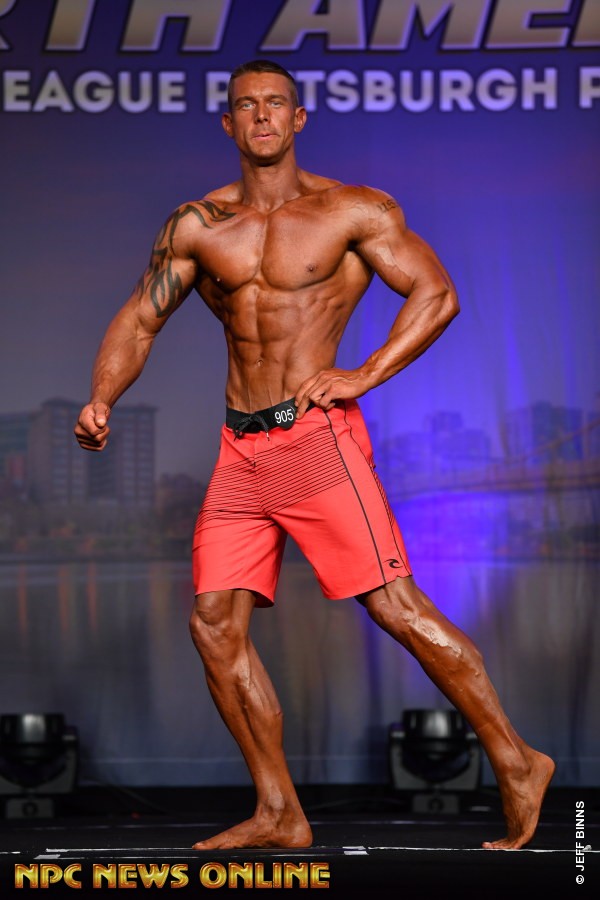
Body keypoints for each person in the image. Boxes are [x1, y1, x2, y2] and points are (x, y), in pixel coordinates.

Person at [74, 59, 554, 852]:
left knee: (396, 608)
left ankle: (516, 759)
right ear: (228, 124)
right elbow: (139, 318)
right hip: (239, 448)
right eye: (245, 106)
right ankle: (279, 811)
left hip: (315, 440)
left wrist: (364, 373)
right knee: (213, 627)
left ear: (299, 119)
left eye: (276, 104)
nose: (261, 115)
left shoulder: (352, 211)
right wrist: (102, 397)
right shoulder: (197, 225)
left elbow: (436, 293)